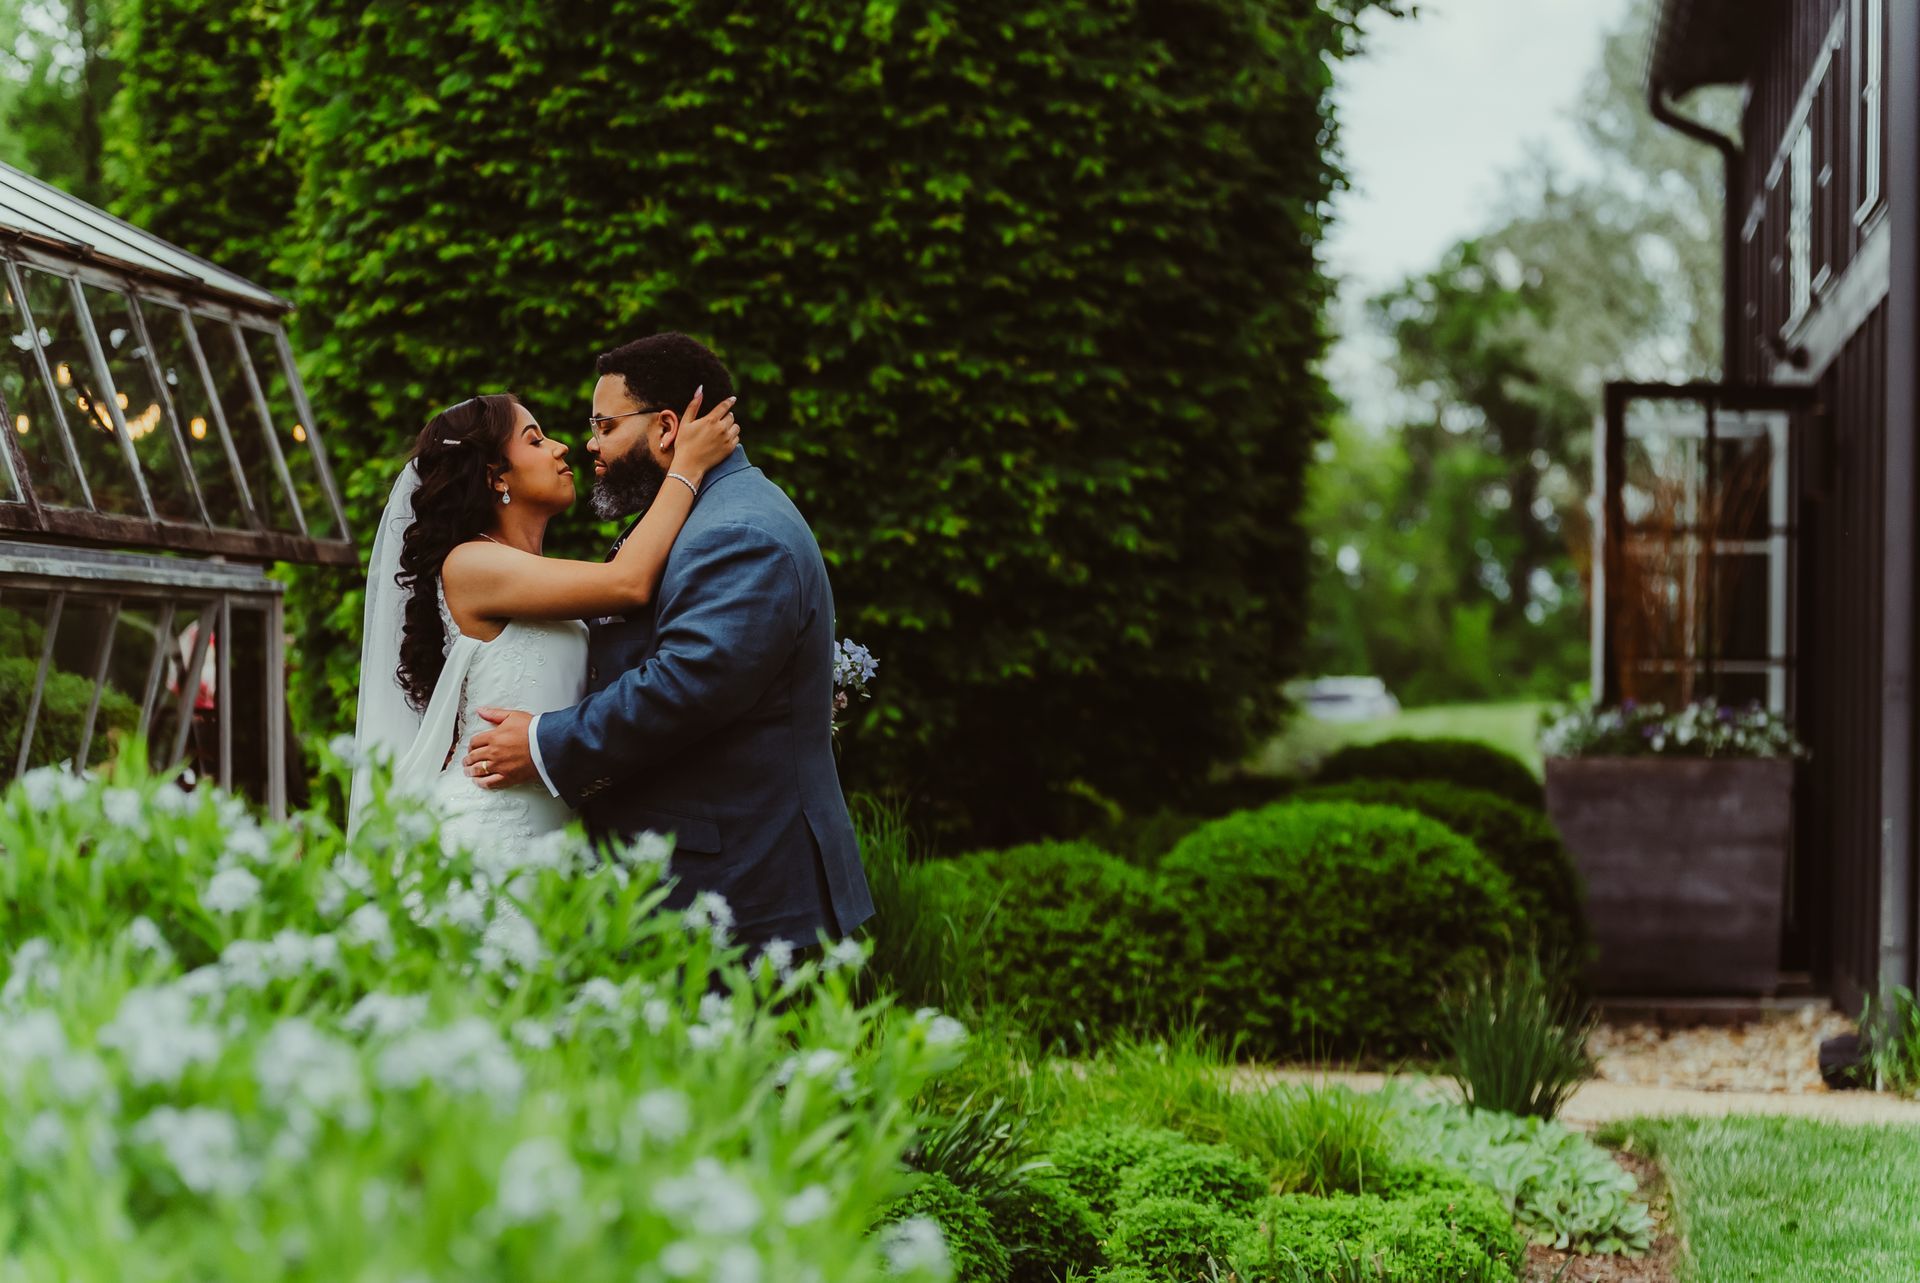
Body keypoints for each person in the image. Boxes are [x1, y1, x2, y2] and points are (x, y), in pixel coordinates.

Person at [461, 333, 874, 952]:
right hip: (700, 880)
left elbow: (686, 684)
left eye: (603, 424)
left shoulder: (737, 532)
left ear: (667, 427)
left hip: (743, 890)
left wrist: (545, 741)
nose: (589, 444)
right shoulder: (695, 514)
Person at [347, 385, 738, 860]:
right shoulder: (470, 564)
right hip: (486, 839)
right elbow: (629, 582)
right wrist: (687, 467)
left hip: (552, 840)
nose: (561, 447)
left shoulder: (536, 573)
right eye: (535, 440)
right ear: (496, 476)